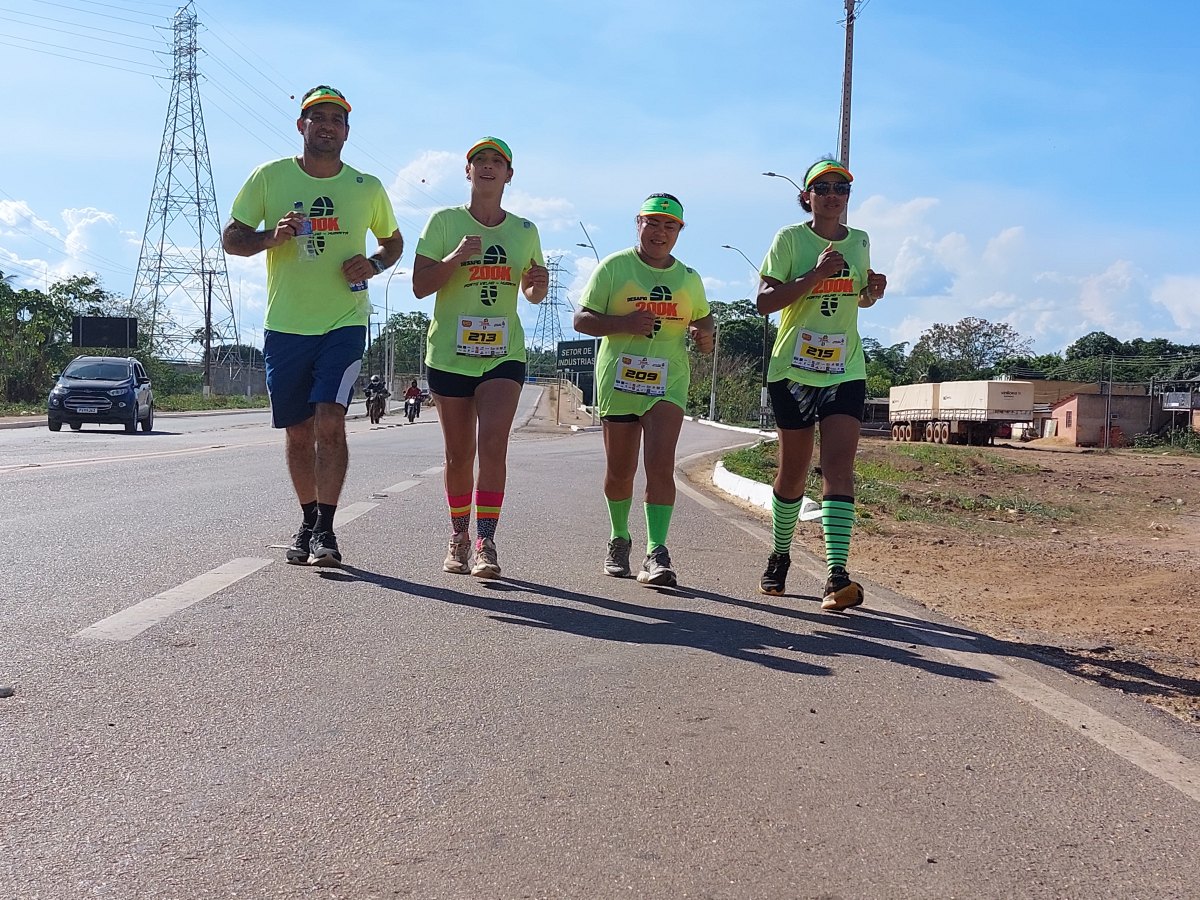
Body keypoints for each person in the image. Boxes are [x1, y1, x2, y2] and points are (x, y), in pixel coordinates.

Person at [222, 85, 403, 567]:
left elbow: (393, 242)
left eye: (337, 119)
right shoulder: (269, 177)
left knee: (331, 421)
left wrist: (375, 265)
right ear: (301, 126)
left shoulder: (367, 187)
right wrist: (270, 236)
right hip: (285, 326)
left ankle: (326, 529)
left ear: (347, 131)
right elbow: (232, 240)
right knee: (298, 432)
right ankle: (307, 520)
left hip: (344, 321)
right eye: (317, 117)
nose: (327, 125)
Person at [412, 137, 548, 579]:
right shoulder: (444, 222)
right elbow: (419, 285)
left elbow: (531, 292)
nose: (488, 167)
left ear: (509, 175)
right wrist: (455, 258)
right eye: (480, 161)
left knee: (493, 445)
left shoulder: (525, 231)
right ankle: (458, 536)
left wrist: (538, 284)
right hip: (449, 354)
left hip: (502, 354)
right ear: (467, 172)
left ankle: (487, 541)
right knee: (458, 454)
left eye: (497, 162)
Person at [754, 157, 887, 609]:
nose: (833, 195)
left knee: (839, 467)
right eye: (823, 187)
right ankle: (780, 555)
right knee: (793, 470)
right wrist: (815, 274)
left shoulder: (861, 241)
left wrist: (872, 291)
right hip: (793, 370)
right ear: (807, 196)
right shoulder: (789, 239)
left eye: (841, 188)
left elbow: (856, 300)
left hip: (845, 368)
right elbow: (764, 303)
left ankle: (836, 576)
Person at [573, 194, 714, 588]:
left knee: (660, 464)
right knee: (620, 469)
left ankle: (657, 551)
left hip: (668, 380)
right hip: (619, 377)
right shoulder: (614, 268)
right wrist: (624, 322)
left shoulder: (688, 278)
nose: (660, 232)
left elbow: (704, 319)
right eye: (653, 223)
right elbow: (582, 319)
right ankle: (619, 538)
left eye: (670, 226)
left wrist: (706, 336)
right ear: (638, 224)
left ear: (680, 232)